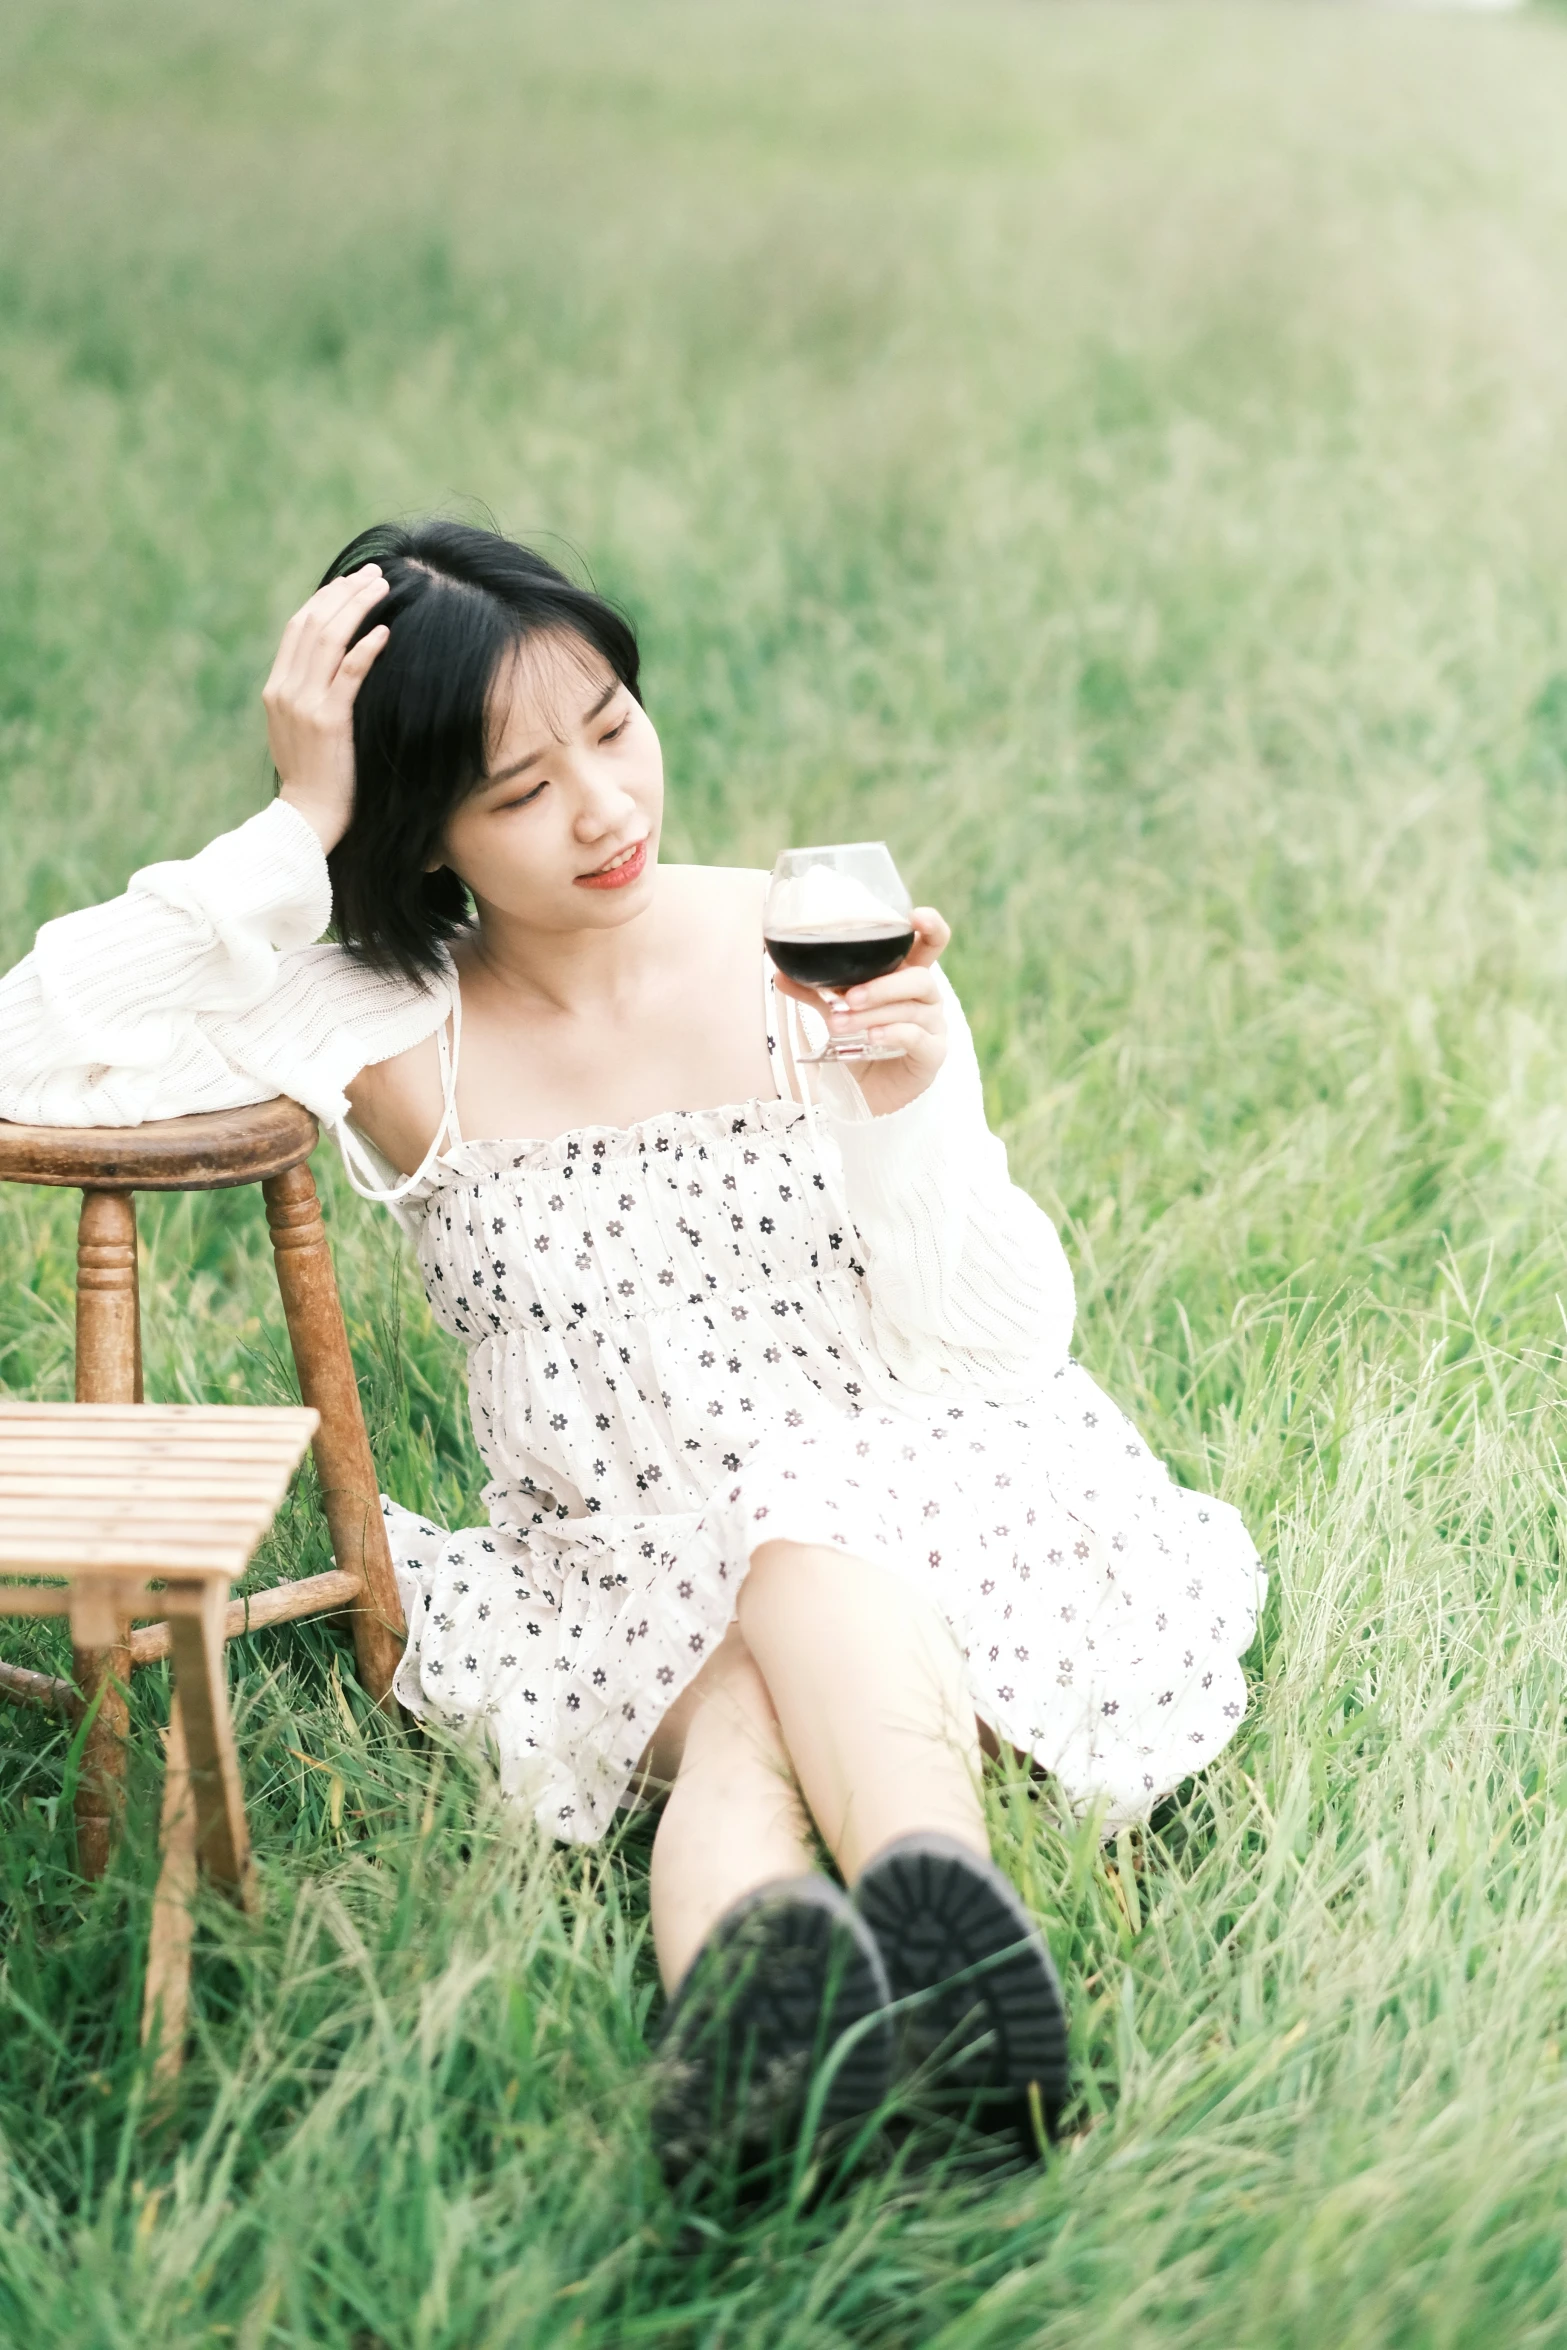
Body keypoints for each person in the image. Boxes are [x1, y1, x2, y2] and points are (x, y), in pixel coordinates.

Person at [0, 519, 1265, 2180]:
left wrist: (907, 1112)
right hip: (620, 1556)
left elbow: (998, 1337)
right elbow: (38, 1034)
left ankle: (914, 1944)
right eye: (517, 791)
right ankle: (853, 2014)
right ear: (423, 830)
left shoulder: (809, 934)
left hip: (921, 1479)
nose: (602, 807)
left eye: (610, 725)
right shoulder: (386, 1019)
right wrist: (296, 817)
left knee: (805, 1558)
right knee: (746, 1677)